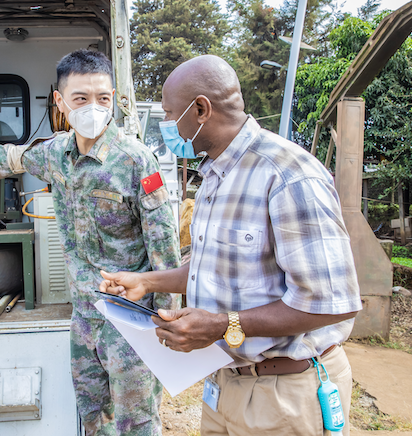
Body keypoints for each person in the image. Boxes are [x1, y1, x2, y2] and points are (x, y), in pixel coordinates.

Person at [99, 54, 362, 436]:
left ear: (201, 109)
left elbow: (331, 303)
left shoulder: (287, 174)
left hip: (284, 394)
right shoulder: (214, 176)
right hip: (225, 384)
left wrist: (223, 325)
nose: (168, 125)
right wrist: (148, 282)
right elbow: (219, 265)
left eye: (171, 114)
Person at [0, 49, 180, 436]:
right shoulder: (55, 154)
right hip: (84, 316)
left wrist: (168, 319)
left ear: (114, 99)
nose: (94, 107)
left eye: (103, 98)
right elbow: (11, 158)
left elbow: (164, 246)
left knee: (137, 421)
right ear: (61, 102)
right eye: (81, 98)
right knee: (91, 414)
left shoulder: (136, 161)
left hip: (132, 319)